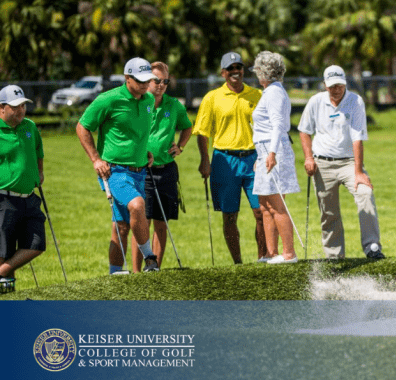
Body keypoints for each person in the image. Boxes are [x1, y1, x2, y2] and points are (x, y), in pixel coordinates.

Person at [76, 57, 160, 274]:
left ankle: (115, 273)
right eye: (139, 80)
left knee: (121, 227)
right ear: (127, 78)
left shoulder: (149, 100)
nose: (144, 84)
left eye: (147, 80)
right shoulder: (108, 99)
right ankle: (150, 258)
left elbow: (136, 133)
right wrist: (96, 159)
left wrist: (144, 152)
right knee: (137, 205)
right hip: (114, 171)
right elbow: (82, 127)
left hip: (140, 171)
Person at [298, 65, 384, 260]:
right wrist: (309, 157)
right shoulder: (315, 102)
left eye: (339, 85)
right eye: (332, 86)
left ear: (345, 83)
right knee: (328, 212)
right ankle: (334, 255)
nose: (336, 90)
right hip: (322, 163)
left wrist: (359, 171)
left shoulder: (355, 101)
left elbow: (357, 138)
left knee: (365, 193)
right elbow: (304, 130)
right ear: (325, 85)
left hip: (349, 163)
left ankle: (372, 247)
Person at [193, 52, 267, 264]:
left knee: (261, 213)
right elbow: (203, 132)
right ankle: (238, 263)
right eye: (231, 68)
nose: (236, 71)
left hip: (253, 159)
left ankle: (262, 258)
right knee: (229, 215)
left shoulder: (256, 95)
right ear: (223, 72)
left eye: (239, 67)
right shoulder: (212, 98)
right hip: (224, 161)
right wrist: (204, 160)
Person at [129, 61, 193, 272]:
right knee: (141, 223)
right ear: (147, 81)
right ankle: (137, 271)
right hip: (141, 171)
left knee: (161, 223)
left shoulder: (174, 105)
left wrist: (180, 146)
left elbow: (187, 127)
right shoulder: (139, 103)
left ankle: (155, 270)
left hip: (166, 170)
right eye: (156, 80)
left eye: (165, 81)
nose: (161, 85)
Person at [250, 51, 301, 264]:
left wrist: (271, 153)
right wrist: (261, 155)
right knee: (265, 204)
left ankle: (288, 253)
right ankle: (271, 253)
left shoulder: (274, 93)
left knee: (276, 204)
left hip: (275, 150)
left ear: (264, 72)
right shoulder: (270, 92)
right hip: (264, 150)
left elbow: (278, 124)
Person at [0, 85, 45, 293]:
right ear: (2, 108)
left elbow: (38, 150)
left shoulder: (30, 126)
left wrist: (40, 172)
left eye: (23, 106)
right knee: (3, 251)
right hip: (4, 199)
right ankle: (8, 299)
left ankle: (1, 273)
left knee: (36, 244)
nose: (21, 111)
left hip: (29, 198)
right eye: (15, 106)